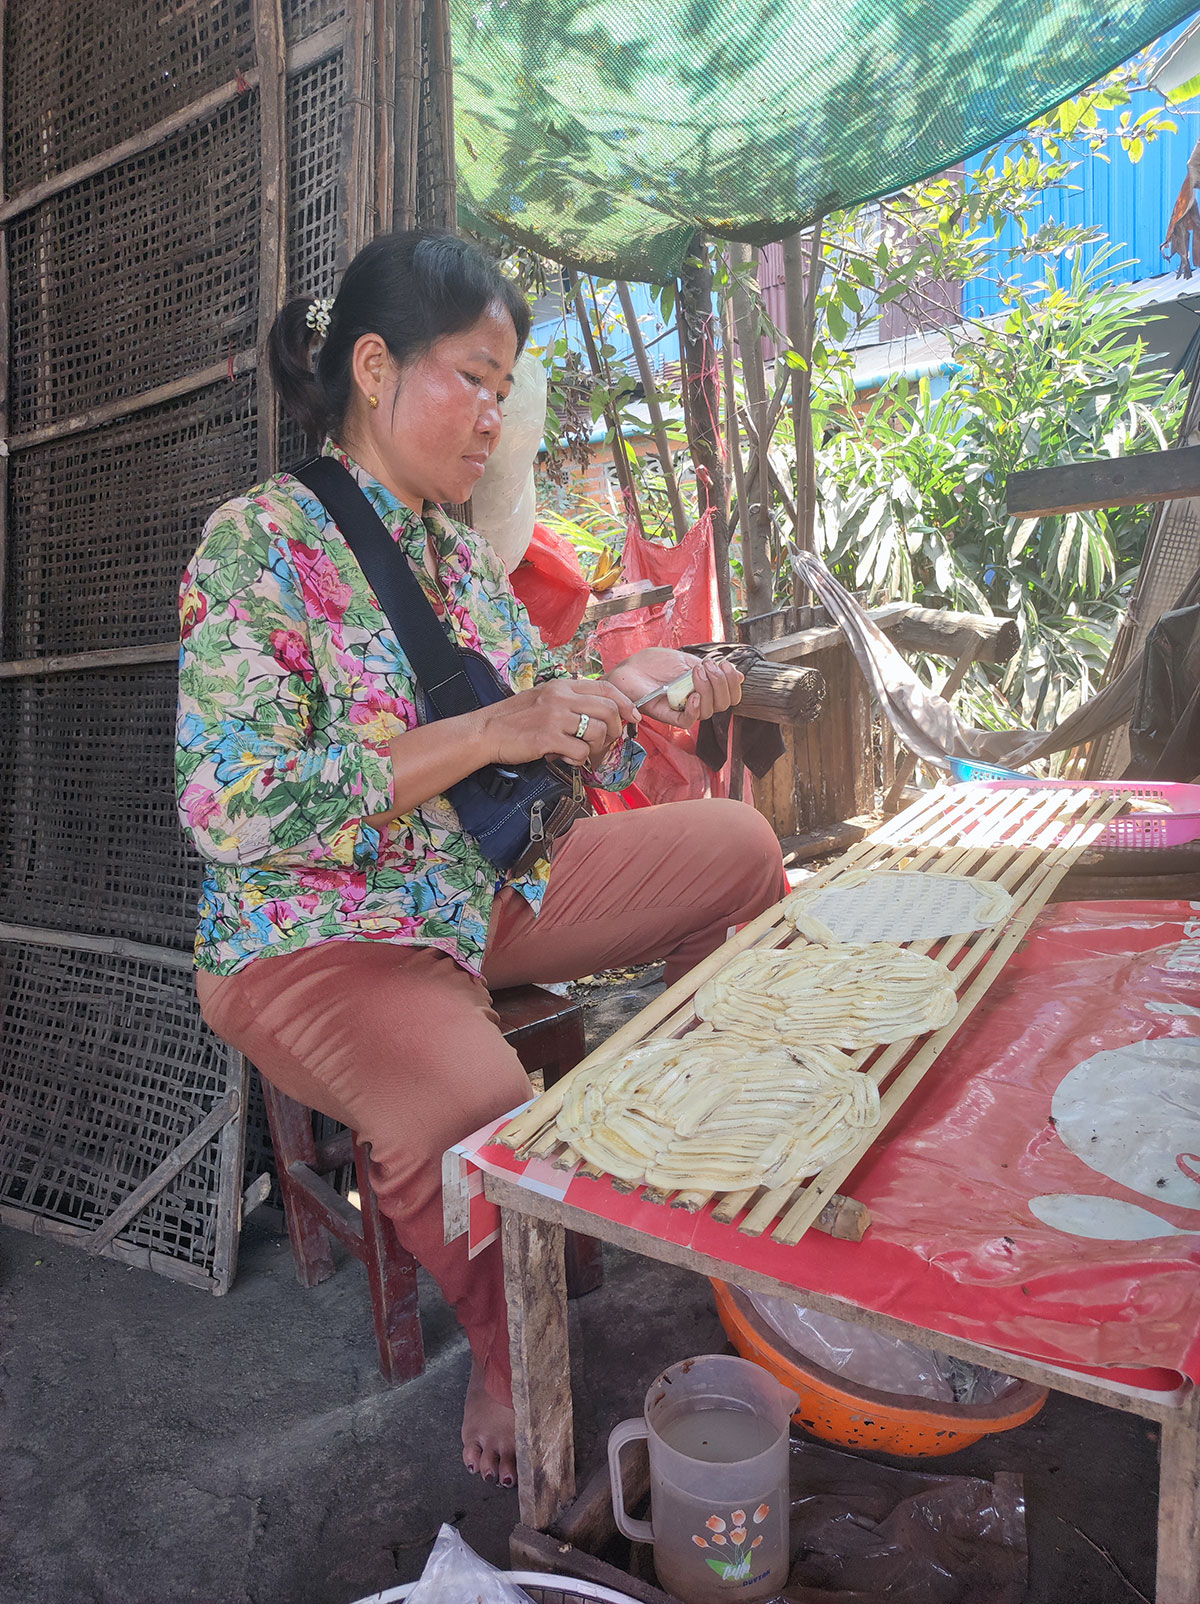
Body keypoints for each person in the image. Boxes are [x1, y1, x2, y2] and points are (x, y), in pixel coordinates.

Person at [176, 229, 787, 1489]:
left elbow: (533, 721)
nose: (494, 416)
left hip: (482, 888)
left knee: (739, 844)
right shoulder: (257, 544)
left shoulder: (457, 554)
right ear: (374, 368)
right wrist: (490, 728)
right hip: (319, 936)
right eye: (473, 377)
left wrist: (626, 687)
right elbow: (226, 806)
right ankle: (514, 1355)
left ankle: (714, 1148)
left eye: (507, 390)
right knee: (468, 1108)